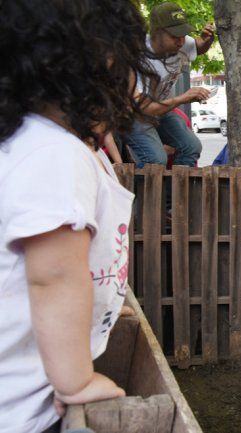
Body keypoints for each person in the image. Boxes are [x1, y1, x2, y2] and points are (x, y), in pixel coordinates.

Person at [0, 0, 157, 431]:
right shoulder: (54, 155)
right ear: (101, 61)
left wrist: (100, 308)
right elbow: (53, 276)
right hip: (25, 409)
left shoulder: (29, 143)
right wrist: (75, 381)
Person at [121, 2, 216, 168]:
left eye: (183, 34)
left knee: (191, 147)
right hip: (135, 114)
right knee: (156, 160)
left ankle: (174, 192)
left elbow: (198, 46)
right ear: (157, 32)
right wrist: (182, 98)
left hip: (162, 109)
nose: (181, 41)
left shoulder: (182, 42)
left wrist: (207, 40)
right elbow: (144, 108)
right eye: (174, 36)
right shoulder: (137, 55)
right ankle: (140, 193)